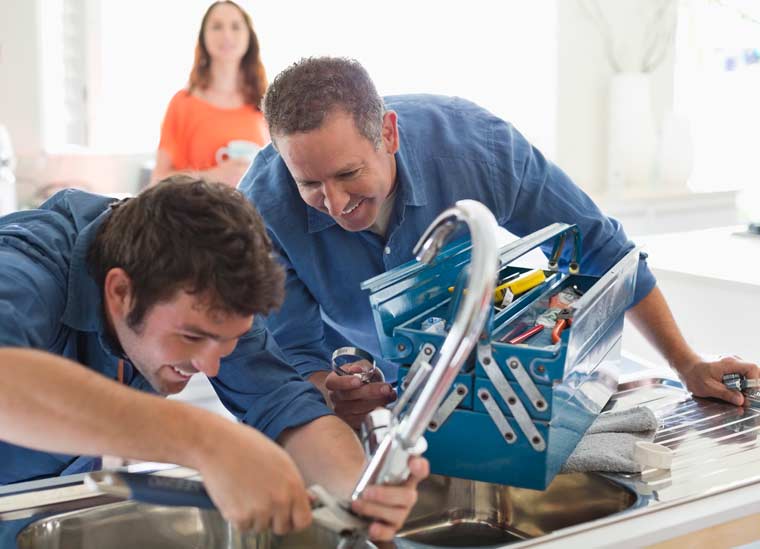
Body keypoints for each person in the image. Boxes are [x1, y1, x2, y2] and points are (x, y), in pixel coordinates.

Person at [238, 56, 760, 430]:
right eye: (309, 184)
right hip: (361, 385)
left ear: (389, 135)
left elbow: (604, 250)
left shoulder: (478, 148)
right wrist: (333, 396)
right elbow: (295, 350)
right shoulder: (262, 209)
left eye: (349, 173)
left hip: (478, 377)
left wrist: (686, 363)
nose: (333, 202)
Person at [0, 176, 427, 542]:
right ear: (119, 292)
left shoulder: (210, 298)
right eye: (190, 337)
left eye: (227, 342)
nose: (210, 366)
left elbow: (282, 404)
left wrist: (361, 490)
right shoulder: (23, 272)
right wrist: (207, 441)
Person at [150, 1, 269, 187]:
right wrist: (214, 175)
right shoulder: (182, 103)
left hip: (251, 212)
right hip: (197, 212)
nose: (227, 35)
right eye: (216, 26)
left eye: (236, 27)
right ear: (203, 37)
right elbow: (157, 181)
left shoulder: (265, 103)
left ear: (249, 37)